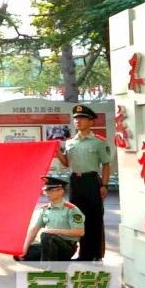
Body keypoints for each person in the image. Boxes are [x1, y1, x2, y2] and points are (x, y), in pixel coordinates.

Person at [56, 104, 111, 261]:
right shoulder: (70, 142)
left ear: (91, 122)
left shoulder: (99, 142)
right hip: (75, 182)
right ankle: (83, 254)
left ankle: (96, 254)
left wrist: (104, 185)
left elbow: (106, 165)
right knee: (78, 218)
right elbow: (67, 163)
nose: (77, 121)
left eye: (81, 118)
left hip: (91, 181)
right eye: (76, 119)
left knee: (95, 218)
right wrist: (57, 152)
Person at [17, 176, 85, 261]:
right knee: (20, 254)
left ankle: (50, 268)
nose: (47, 193)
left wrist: (54, 231)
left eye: (51, 190)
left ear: (61, 191)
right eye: (46, 190)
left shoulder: (72, 210)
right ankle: (55, 263)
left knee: (47, 235)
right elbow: (34, 229)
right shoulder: (45, 209)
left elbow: (80, 232)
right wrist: (24, 249)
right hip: (49, 245)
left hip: (66, 247)